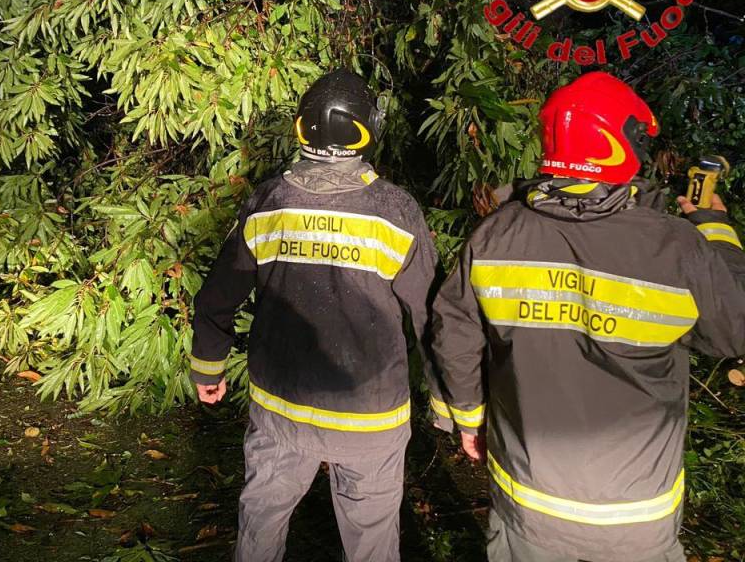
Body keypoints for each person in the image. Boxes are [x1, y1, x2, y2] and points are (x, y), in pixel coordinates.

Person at [431, 71, 745, 562]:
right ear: (625, 144)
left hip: (528, 502)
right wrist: (716, 230)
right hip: (636, 515)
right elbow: (734, 329)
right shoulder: (676, 246)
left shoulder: (496, 234)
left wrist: (469, 420)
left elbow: (454, 330)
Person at [189, 69, 449, 562]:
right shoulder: (395, 211)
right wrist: (448, 400)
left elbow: (218, 295)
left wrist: (208, 365)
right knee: (372, 541)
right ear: (369, 128)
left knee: (261, 522)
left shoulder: (269, 202)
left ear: (302, 127)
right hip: (369, 416)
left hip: (280, 410)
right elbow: (433, 317)